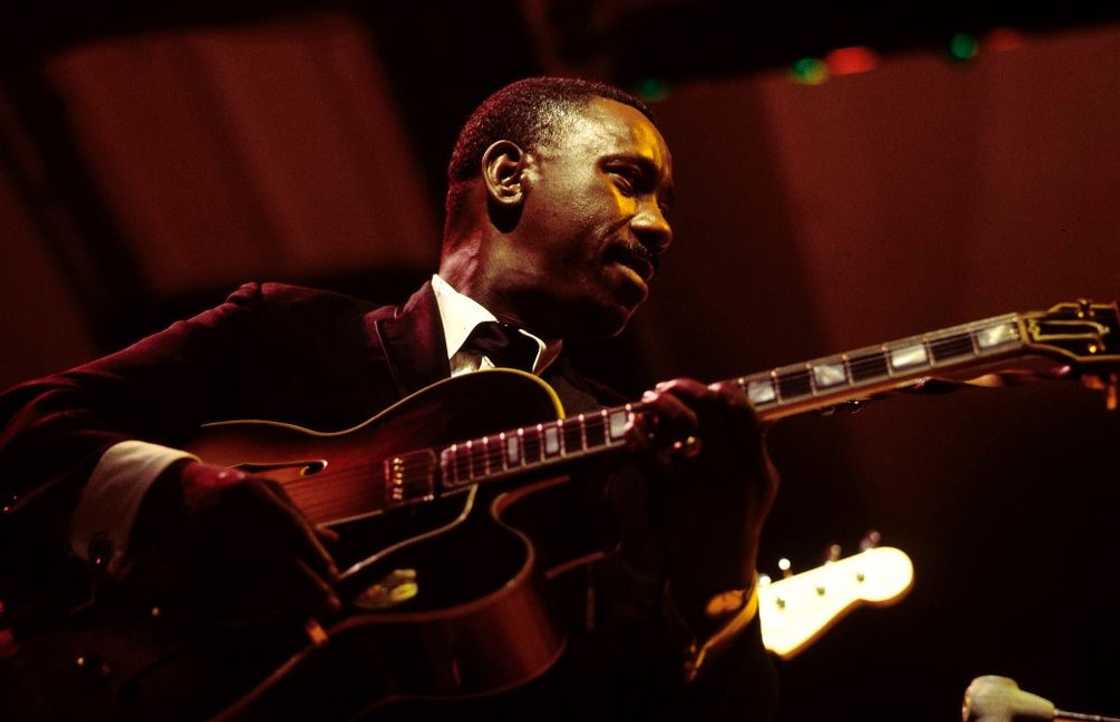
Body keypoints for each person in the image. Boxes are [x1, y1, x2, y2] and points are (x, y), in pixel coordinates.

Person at [0, 77, 780, 720]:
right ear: (510, 175)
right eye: (630, 179)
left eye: (665, 203)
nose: (660, 227)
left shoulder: (631, 462)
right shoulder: (282, 330)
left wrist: (722, 584)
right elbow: (23, 428)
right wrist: (176, 492)